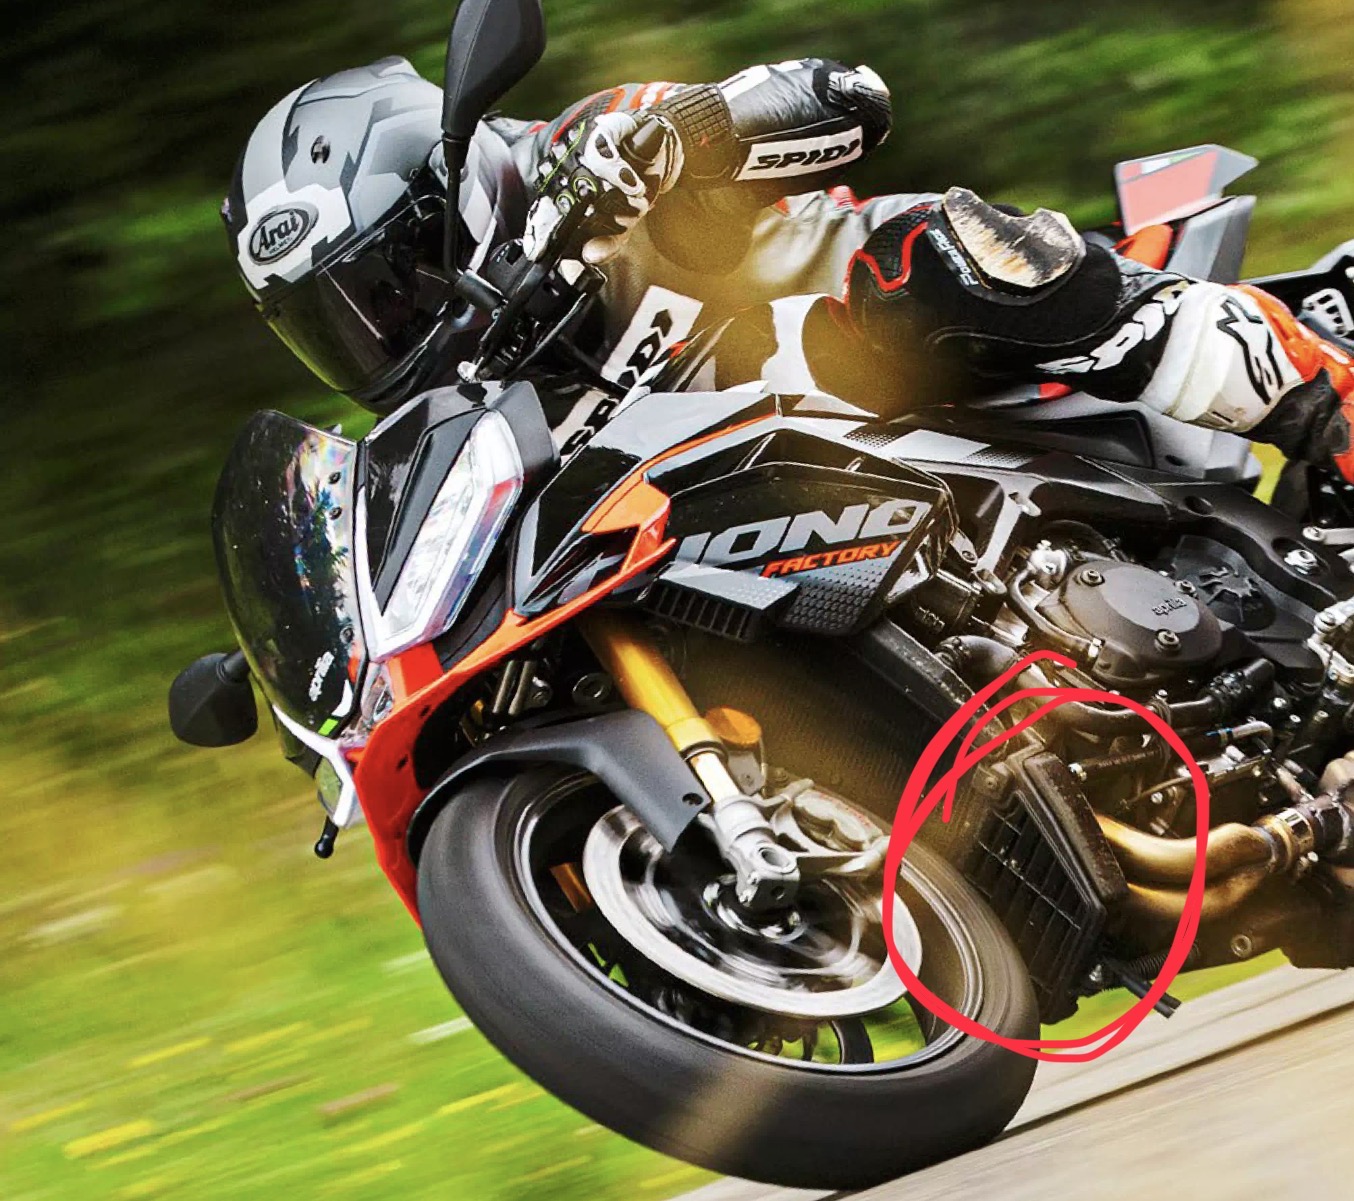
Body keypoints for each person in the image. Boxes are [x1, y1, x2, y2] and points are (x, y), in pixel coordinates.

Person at [223, 55, 1354, 488]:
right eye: (338, 321)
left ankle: (1326, 400)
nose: (385, 328)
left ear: (451, 199)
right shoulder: (463, 434)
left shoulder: (586, 159)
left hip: (878, 340)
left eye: (391, 282)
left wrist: (682, 136)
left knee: (941, 265)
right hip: (788, 500)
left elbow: (846, 96)